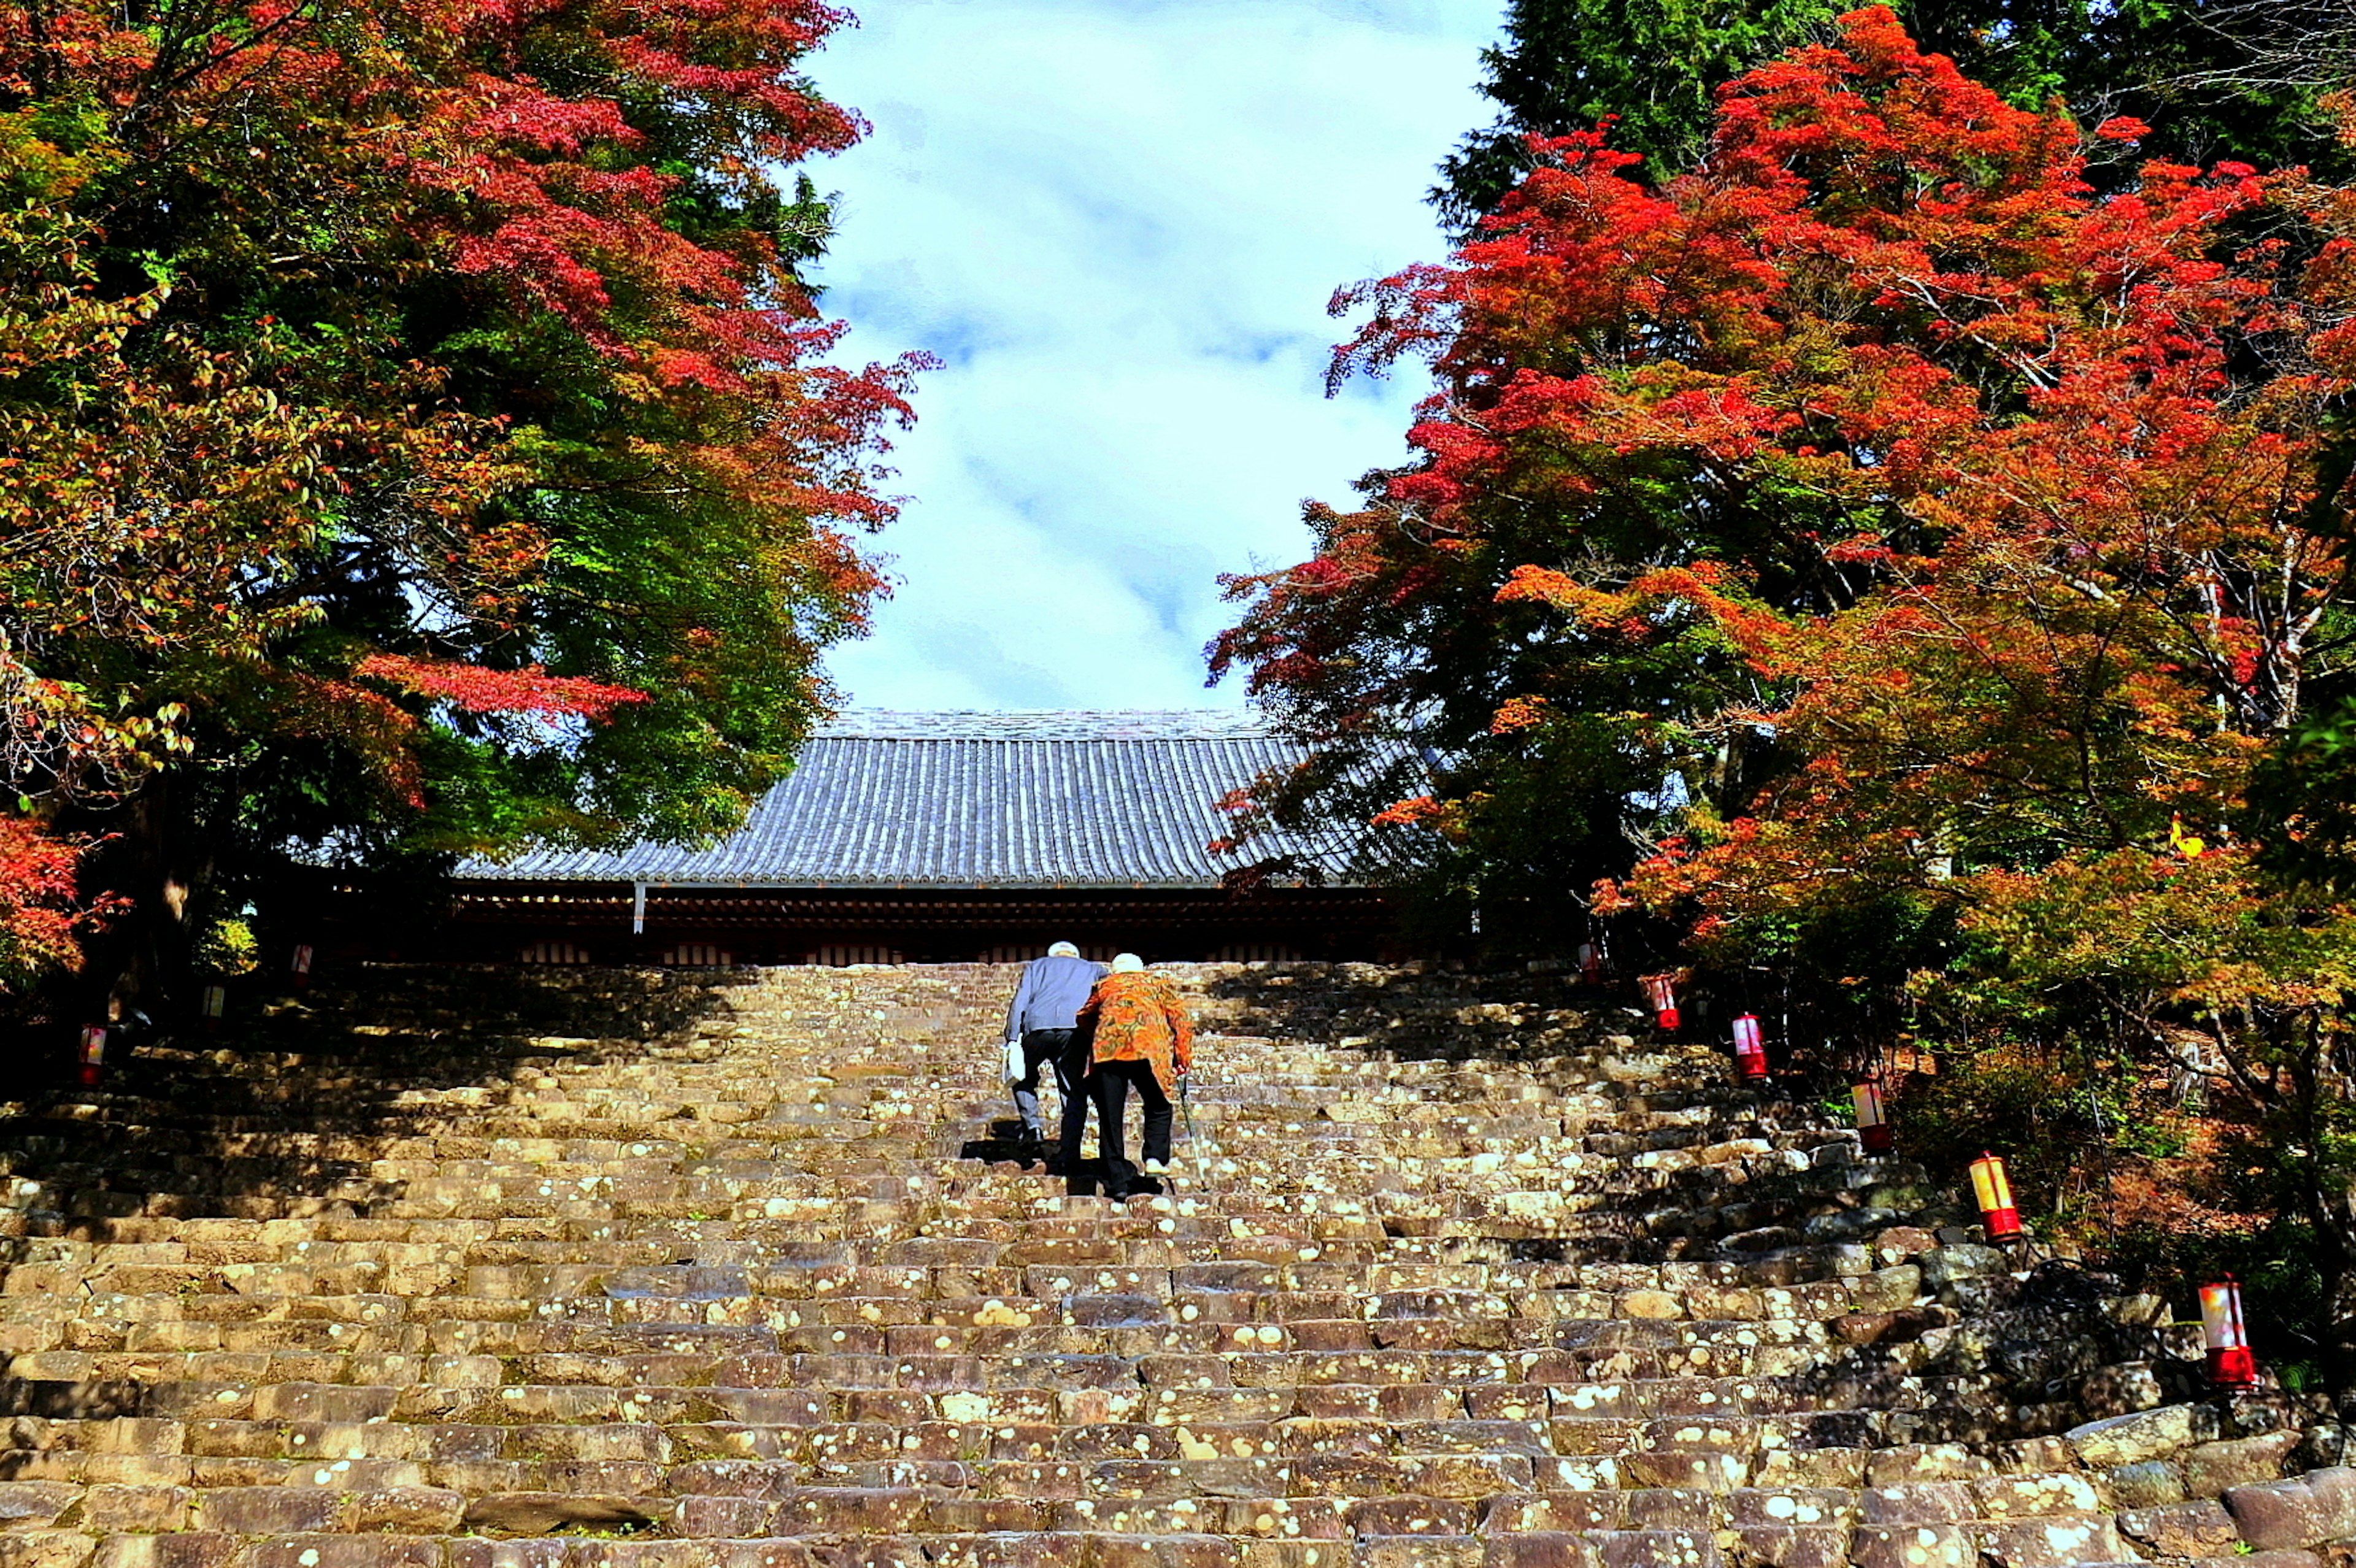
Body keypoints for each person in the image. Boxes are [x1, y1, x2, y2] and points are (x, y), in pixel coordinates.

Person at [1072, 953, 1193, 1200]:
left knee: (1110, 1117)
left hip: (1108, 1051)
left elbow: (1083, 1015)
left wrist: (1098, 1032)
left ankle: (1117, 1183)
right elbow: (1180, 1020)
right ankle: (1155, 1158)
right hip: (1148, 1049)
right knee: (1159, 1105)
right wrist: (1182, 1057)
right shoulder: (1157, 984)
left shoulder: (1105, 985)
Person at [1003, 940, 1106, 1156]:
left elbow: (1020, 1000)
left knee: (1022, 1076)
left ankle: (1032, 1128)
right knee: (1073, 1090)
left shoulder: (1036, 966)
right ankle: (1070, 1150)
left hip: (1037, 1026)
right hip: (1075, 1029)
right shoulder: (1094, 969)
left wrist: (1012, 1037)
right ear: (1075, 955)